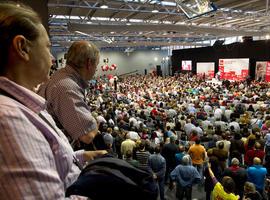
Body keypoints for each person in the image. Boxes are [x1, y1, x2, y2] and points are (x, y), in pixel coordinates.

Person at [0, 3, 106, 199]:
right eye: (47, 46)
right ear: (22, 47)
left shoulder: (18, 106)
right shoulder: (9, 120)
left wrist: (79, 157)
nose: (51, 56)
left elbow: (46, 156)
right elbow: (87, 135)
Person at [38, 40, 100, 147]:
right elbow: (87, 135)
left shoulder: (61, 76)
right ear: (89, 63)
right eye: (96, 65)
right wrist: (96, 120)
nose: (96, 69)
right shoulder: (67, 87)